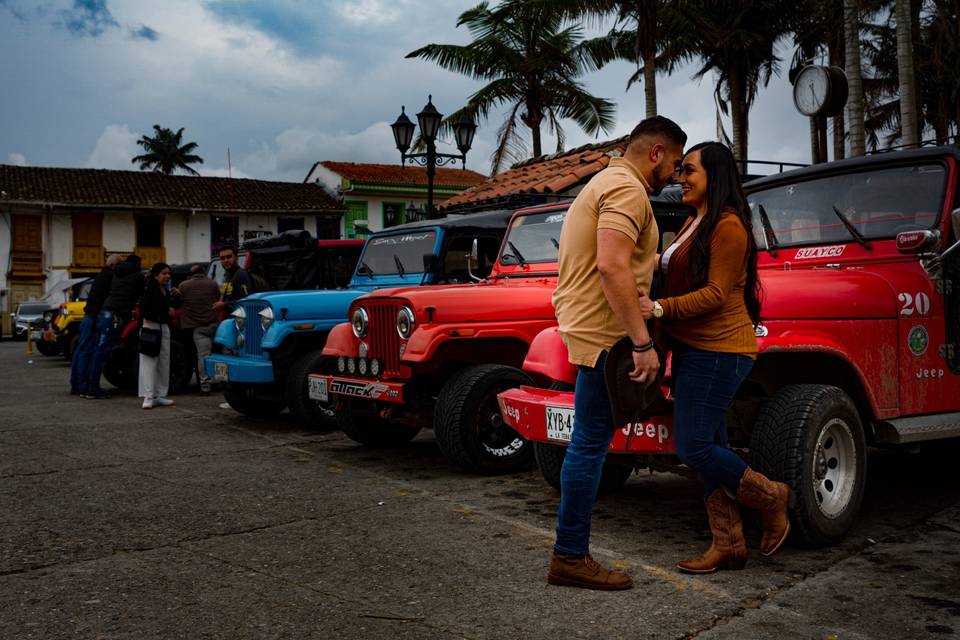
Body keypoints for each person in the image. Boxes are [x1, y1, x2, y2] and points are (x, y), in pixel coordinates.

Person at [548, 116, 687, 590]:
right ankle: (569, 554)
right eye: (673, 163)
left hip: (587, 330)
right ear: (656, 153)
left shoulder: (602, 181)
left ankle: (569, 552)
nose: (674, 175)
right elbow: (611, 267)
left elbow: (616, 261)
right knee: (588, 446)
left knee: (587, 443)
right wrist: (643, 343)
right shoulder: (627, 190)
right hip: (607, 338)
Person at [637, 142, 790, 574]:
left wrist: (660, 309)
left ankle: (772, 496)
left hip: (720, 350)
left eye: (690, 171)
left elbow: (716, 294)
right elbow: (666, 266)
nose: (681, 178)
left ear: (715, 176)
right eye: (681, 171)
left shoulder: (728, 226)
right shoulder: (694, 221)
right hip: (693, 348)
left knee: (694, 446)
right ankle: (728, 543)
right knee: (714, 445)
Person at [82, 254, 144, 399]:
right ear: (138, 264)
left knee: (97, 352)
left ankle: (87, 387)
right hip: (115, 316)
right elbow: (142, 294)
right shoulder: (138, 276)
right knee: (101, 352)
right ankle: (92, 389)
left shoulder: (116, 273)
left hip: (104, 313)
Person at [70, 254, 121, 395]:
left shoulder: (100, 276)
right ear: (113, 266)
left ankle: (76, 384)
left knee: (81, 351)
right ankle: (85, 386)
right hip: (94, 317)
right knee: (87, 352)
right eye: (119, 265)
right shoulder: (110, 277)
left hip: (87, 317)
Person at [139, 262, 181, 409]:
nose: (167, 276)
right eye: (164, 273)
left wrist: (176, 298)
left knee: (164, 362)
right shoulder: (149, 291)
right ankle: (148, 396)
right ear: (156, 276)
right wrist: (166, 311)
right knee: (149, 363)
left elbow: (172, 308)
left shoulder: (166, 291)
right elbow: (146, 312)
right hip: (151, 328)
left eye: (168, 273)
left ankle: (159, 395)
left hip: (164, 328)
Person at [178, 264, 221, 395]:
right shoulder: (213, 283)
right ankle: (222, 382)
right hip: (214, 324)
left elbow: (180, 300)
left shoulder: (184, 286)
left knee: (203, 356)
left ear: (191, 274)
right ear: (203, 272)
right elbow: (218, 297)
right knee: (221, 354)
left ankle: (205, 386)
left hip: (198, 328)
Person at [212, 245, 251, 315]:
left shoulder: (241, 274)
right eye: (222, 258)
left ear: (236, 258)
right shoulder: (227, 275)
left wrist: (224, 305)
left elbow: (246, 300)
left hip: (239, 319)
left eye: (229, 257)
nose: (225, 260)